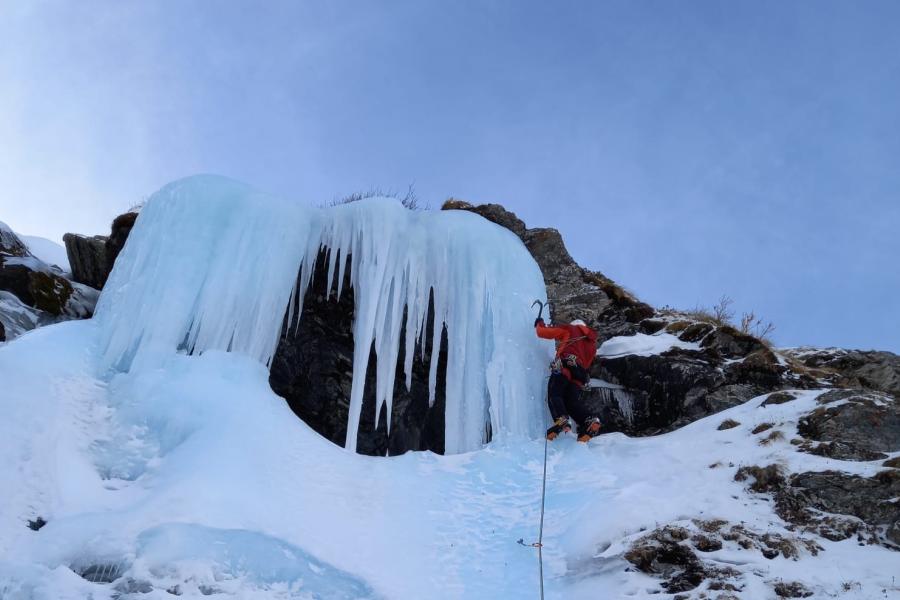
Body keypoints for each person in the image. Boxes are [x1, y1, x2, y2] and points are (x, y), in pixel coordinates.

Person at [534, 316, 601, 442]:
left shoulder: (570, 329)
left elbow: (543, 332)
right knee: (571, 403)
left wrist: (539, 323)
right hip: (580, 374)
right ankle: (588, 420)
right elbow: (587, 364)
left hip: (566, 365)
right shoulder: (592, 344)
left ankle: (562, 418)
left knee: (555, 394)